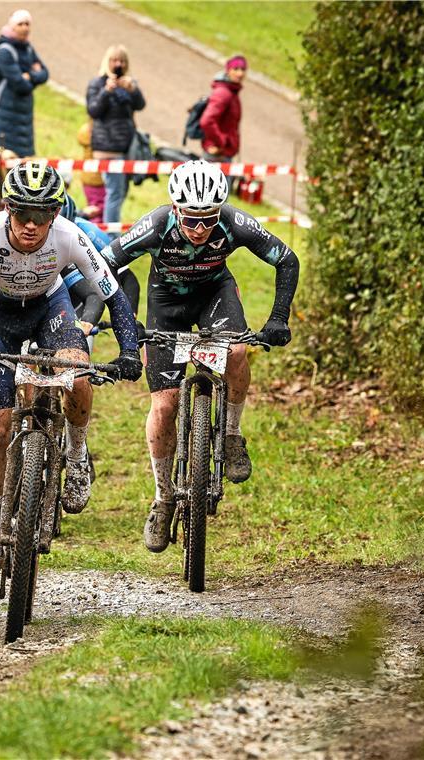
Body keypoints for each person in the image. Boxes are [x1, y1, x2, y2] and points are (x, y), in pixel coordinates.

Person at [0, 162, 142, 598]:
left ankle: (78, 455)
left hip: (51, 308)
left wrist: (127, 351)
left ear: (55, 214)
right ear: (7, 210)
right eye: (23, 214)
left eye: (42, 216)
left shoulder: (70, 235)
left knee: (76, 375)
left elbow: (114, 295)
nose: (32, 225)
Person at [100, 160, 298, 553]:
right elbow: (105, 263)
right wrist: (127, 321)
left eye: (208, 220)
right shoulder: (156, 224)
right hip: (165, 302)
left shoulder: (234, 222)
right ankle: (163, 497)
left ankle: (230, 434)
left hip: (214, 295)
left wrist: (278, 318)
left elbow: (286, 259)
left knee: (238, 350)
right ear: (175, 209)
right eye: (191, 220)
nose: (200, 230)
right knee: (165, 404)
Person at [86, 45, 145, 228]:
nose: (118, 64)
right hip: (108, 148)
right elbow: (93, 110)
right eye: (114, 60)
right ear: (107, 62)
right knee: (114, 193)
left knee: (120, 192)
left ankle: (110, 229)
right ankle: (111, 235)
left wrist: (132, 89)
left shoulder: (128, 84)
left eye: (122, 61)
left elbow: (140, 105)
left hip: (126, 147)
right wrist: (107, 91)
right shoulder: (97, 83)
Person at [0, 10, 47, 157]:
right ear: (12, 27)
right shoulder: (5, 51)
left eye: (27, 24)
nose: (24, 28)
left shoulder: (28, 49)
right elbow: (20, 84)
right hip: (6, 114)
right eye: (20, 24)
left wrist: (29, 76)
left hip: (25, 116)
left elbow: (45, 73)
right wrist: (33, 75)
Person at [199, 55, 247, 164]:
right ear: (228, 70)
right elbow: (206, 121)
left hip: (223, 154)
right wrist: (221, 142)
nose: (240, 73)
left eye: (243, 69)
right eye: (236, 69)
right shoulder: (224, 93)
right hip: (216, 155)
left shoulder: (232, 92)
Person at [75, 122, 105, 223]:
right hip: (96, 179)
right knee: (97, 211)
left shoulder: (86, 130)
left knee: (94, 208)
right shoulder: (99, 133)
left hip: (88, 177)